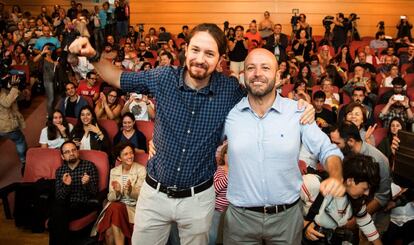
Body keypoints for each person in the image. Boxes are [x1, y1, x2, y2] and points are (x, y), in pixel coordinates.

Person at [69, 23, 315, 244]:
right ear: (186, 50)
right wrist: (94, 56)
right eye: (195, 50)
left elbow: (261, 98)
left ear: (220, 60)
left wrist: (299, 106)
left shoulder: (228, 89)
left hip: (199, 199)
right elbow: (119, 78)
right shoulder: (163, 77)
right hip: (154, 195)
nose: (200, 58)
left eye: (209, 54)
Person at [223, 48, 345, 244]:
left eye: (265, 68)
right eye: (251, 68)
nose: (257, 74)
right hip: (240, 219)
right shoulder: (230, 114)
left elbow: (327, 150)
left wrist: (336, 176)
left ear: (278, 75)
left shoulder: (297, 112)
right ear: (243, 74)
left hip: (286, 219)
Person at [301, 153, 382, 245]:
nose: (367, 193)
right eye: (365, 189)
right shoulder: (314, 184)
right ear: (350, 181)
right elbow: (283, 208)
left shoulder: (355, 200)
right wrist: (304, 225)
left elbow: (366, 223)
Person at [329, 122, 392, 237]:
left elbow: (382, 197)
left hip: (373, 216)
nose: (333, 146)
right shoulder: (342, 153)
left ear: (351, 141)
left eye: (337, 143)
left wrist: (356, 220)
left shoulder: (378, 160)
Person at [93, 142, 146, 245]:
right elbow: (110, 197)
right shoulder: (114, 171)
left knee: (114, 209)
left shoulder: (141, 170)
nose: (130, 156)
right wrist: (117, 192)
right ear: (119, 158)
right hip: (117, 207)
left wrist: (130, 190)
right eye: (125, 154)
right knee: (109, 232)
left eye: (131, 153)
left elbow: (142, 195)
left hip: (132, 208)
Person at [48, 140, 99, 245]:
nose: (71, 153)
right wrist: (67, 186)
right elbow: (59, 196)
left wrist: (87, 183)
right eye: (67, 152)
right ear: (63, 157)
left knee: (56, 217)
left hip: (84, 204)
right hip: (66, 204)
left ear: (78, 152)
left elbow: (94, 193)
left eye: (73, 150)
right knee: (57, 213)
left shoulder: (89, 166)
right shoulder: (60, 171)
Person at [0, 75, 27, 171]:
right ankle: (24, 160)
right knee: (20, 140)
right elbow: (7, 103)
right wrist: (14, 87)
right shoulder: (1, 91)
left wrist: (12, 87)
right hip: (6, 125)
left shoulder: (4, 88)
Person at [208, 144, 229, 245]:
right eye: (228, 155)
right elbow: (214, 190)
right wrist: (227, 177)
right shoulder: (218, 170)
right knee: (213, 236)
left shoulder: (238, 172)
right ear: (223, 156)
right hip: (217, 211)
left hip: (231, 212)